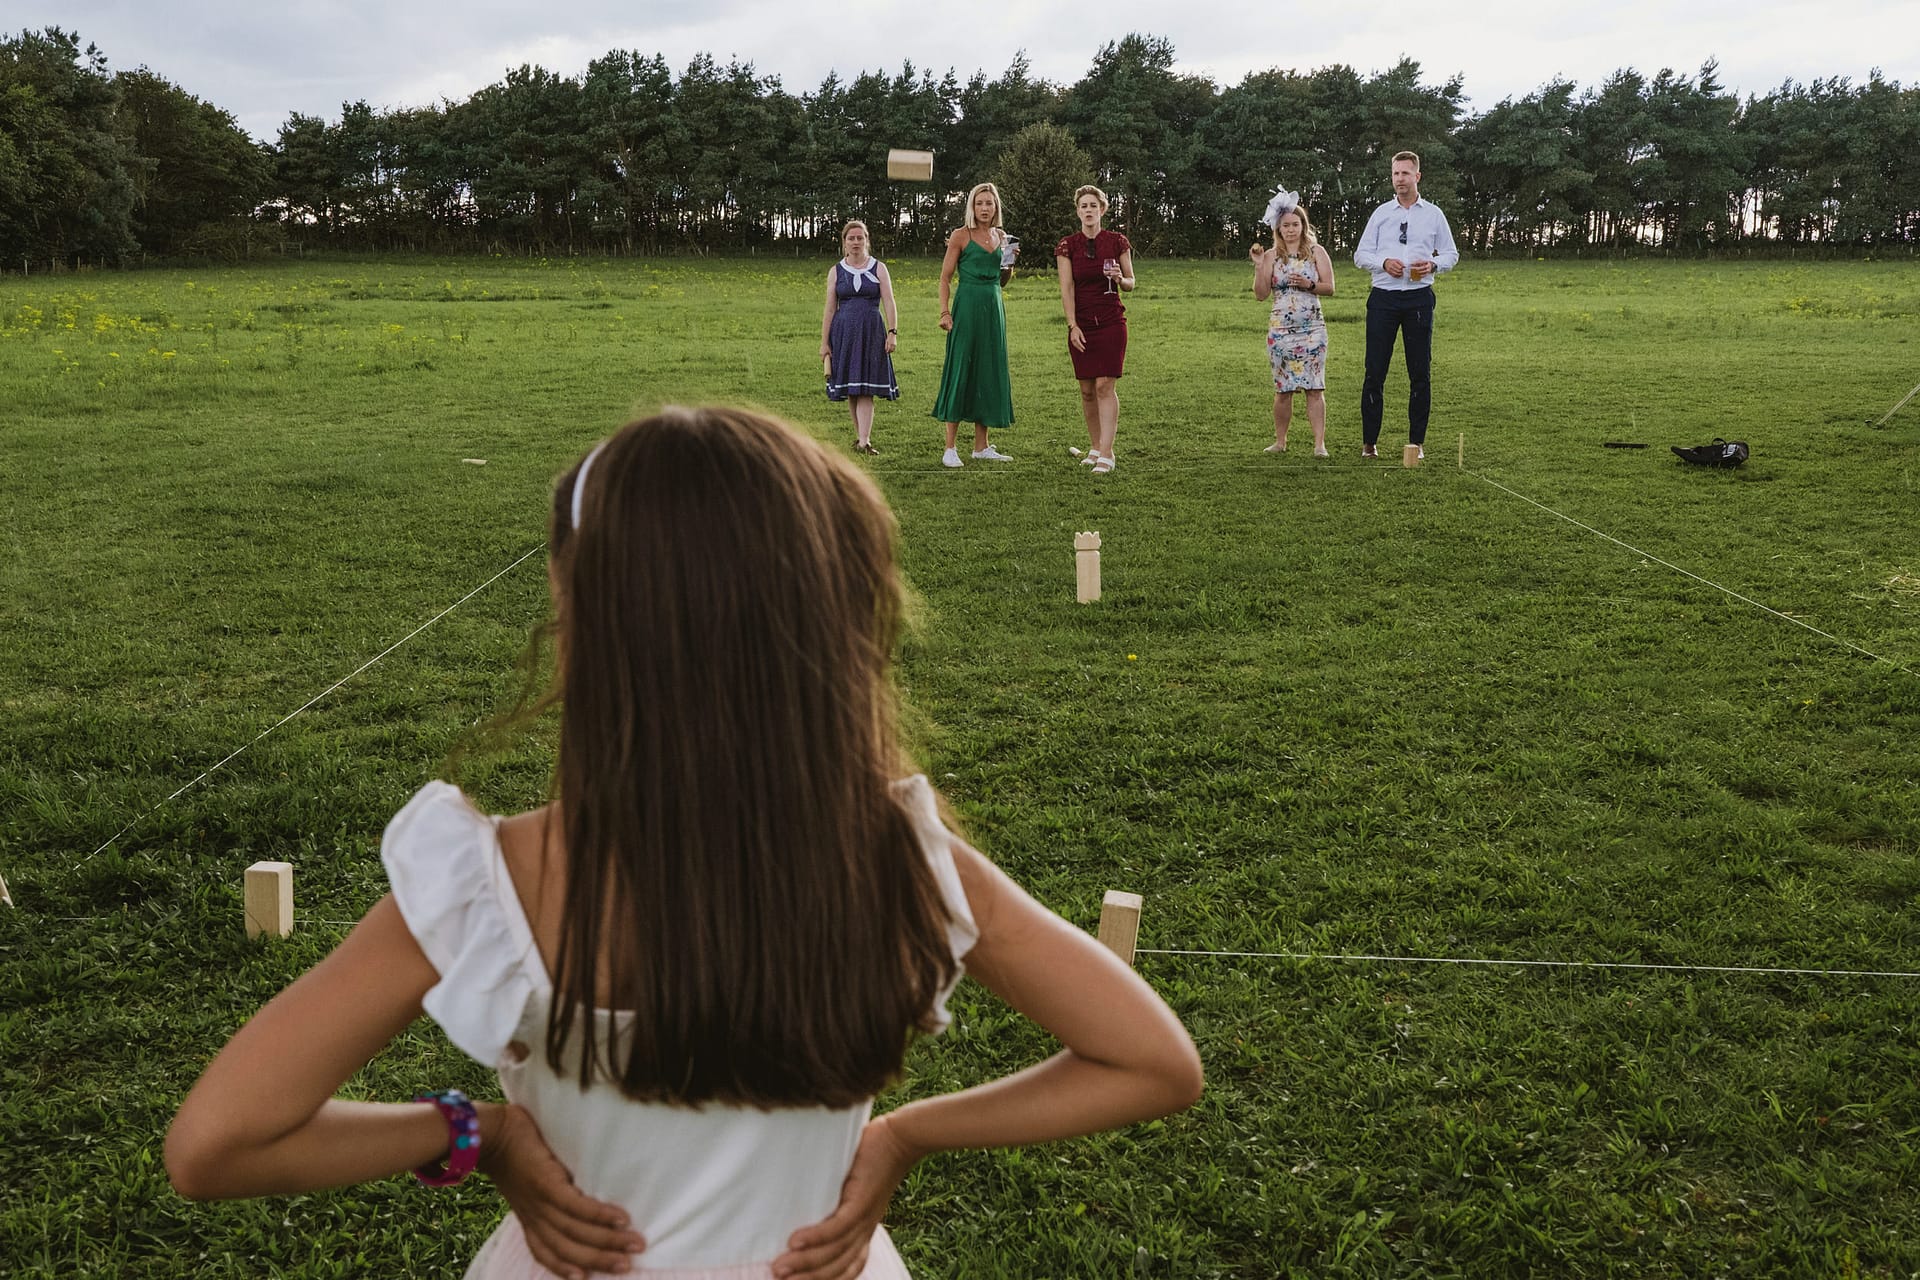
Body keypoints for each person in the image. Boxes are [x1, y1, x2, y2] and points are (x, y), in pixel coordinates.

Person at [165, 406, 1203, 1280]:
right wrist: (904, 1134)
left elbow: (215, 1144)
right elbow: (1153, 1060)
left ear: (583, 624)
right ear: (833, 622)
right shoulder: (904, 860)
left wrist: (478, 1129)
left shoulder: (497, 883)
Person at [1352, 150, 1459, 459]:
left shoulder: (1434, 214)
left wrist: (1434, 265)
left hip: (1418, 299)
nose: (1399, 179)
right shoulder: (1381, 213)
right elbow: (1361, 255)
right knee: (1374, 371)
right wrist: (1383, 262)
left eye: (1405, 174)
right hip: (1383, 298)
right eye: (1395, 174)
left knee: (1420, 372)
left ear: (1417, 176)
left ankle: (1416, 443)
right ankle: (1369, 443)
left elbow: (1451, 253)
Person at [933, 183, 1018, 468]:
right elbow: (945, 277)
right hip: (967, 306)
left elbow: (1002, 281)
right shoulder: (961, 235)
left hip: (993, 308)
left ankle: (981, 446)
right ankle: (950, 447)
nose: (985, 208)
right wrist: (945, 312)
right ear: (972, 206)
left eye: (989, 203)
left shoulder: (1003, 237)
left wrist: (1010, 265)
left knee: (988, 369)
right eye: (980, 203)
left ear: (996, 208)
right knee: (962, 368)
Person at [1055, 186, 1135, 476]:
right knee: (1087, 390)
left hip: (1112, 320)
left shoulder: (1117, 241)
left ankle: (1107, 452)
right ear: (1078, 211)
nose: (1088, 210)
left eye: (1093, 206)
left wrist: (1120, 278)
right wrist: (1072, 325)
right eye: (1083, 206)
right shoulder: (1068, 245)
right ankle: (1094, 447)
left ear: (1102, 210)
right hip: (1082, 322)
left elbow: (1131, 282)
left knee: (1104, 386)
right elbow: (1067, 288)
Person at [1249, 188, 1334, 457]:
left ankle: (1319, 444)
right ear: (1278, 228)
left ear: (1303, 226)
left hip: (1312, 328)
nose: (1290, 230)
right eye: (1285, 226)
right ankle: (1280, 441)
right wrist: (1258, 266)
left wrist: (1310, 284)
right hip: (1281, 330)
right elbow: (1261, 294)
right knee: (1283, 389)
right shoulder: (1272, 256)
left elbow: (1329, 287)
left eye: (1295, 225)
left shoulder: (1316, 252)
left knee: (1314, 387)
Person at [821, 220, 900, 455]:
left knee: (865, 388)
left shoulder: (879, 268)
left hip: (871, 332)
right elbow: (829, 308)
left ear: (867, 240)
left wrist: (892, 332)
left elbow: (889, 301)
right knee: (852, 388)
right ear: (844, 243)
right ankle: (860, 438)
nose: (856, 242)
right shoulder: (836, 271)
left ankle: (865, 441)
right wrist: (824, 342)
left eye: (860, 238)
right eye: (851, 238)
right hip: (843, 333)